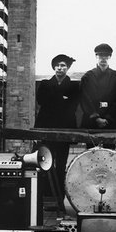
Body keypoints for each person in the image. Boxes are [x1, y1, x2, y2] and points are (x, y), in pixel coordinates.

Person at [34, 54, 79, 205]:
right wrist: (62, 99)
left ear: (67, 68)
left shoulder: (73, 86)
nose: (60, 68)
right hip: (46, 129)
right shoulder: (45, 84)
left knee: (61, 164)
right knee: (46, 163)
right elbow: (41, 100)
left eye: (63, 66)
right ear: (54, 67)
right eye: (58, 65)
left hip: (64, 130)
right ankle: (45, 197)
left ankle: (59, 197)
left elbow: (73, 105)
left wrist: (54, 99)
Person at [80, 43, 116, 149]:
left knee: (110, 154)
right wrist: (95, 117)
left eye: (106, 56)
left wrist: (108, 118)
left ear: (110, 57)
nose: (103, 59)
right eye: (100, 56)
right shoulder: (87, 77)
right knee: (92, 153)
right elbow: (85, 99)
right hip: (92, 123)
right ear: (96, 57)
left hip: (110, 123)